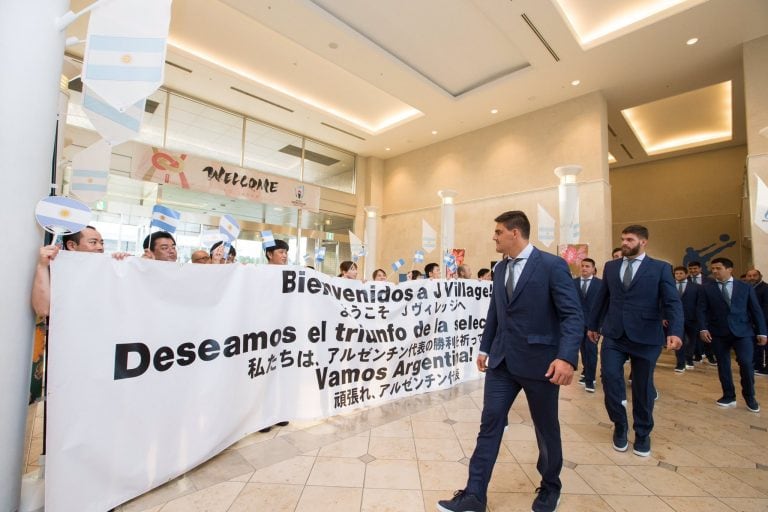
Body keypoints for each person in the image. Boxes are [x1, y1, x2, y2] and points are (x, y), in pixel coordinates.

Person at [437, 210, 583, 512]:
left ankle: (550, 487)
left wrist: (566, 357)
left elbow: (572, 314)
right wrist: (485, 347)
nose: (494, 237)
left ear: (515, 233)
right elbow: (496, 312)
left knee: (545, 428)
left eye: (498, 232)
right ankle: (475, 495)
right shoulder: (501, 269)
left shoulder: (552, 266)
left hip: (541, 363)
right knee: (489, 424)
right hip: (502, 363)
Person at [587, 225, 682, 458]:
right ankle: (620, 425)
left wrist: (676, 331)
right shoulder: (611, 267)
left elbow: (672, 302)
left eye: (629, 239)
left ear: (643, 242)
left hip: (646, 336)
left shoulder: (660, 268)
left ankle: (642, 432)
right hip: (614, 334)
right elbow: (602, 298)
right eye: (623, 239)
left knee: (642, 387)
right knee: (609, 378)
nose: (625, 243)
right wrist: (592, 325)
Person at [698, 258, 766, 412]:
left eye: (718, 268)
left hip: (743, 332)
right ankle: (728, 395)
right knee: (723, 365)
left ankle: (750, 396)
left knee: (746, 363)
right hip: (718, 332)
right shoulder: (706, 288)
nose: (714, 271)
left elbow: (756, 310)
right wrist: (703, 328)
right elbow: (701, 310)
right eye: (713, 268)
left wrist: (762, 331)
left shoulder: (745, 287)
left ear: (729, 269)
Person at [260, 238, 291, 432]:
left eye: (286, 252)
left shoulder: (291, 273)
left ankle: (280, 412)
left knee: (282, 373)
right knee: (264, 375)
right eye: (281, 252)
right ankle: (262, 417)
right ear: (269, 254)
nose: (285, 255)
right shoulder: (259, 273)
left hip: (285, 331)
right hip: (264, 332)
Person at [574, 258, 602, 393]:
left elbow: (603, 305)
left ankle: (590, 380)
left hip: (593, 325)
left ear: (593, 269)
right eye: (583, 266)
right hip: (578, 324)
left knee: (591, 351)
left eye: (587, 266)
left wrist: (600, 325)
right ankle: (586, 372)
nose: (584, 268)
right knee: (583, 351)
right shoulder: (573, 283)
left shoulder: (600, 284)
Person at [672, 266, 700, 372]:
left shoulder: (696, 287)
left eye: (680, 273)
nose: (678, 275)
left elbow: (699, 304)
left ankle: (689, 359)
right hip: (675, 318)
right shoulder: (670, 286)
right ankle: (680, 363)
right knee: (679, 340)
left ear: (686, 274)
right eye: (676, 273)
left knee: (692, 340)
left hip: (692, 318)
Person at [745, 268, 768, 377]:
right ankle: (757, 365)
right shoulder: (747, 288)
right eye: (749, 276)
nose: (752, 278)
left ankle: (766, 368)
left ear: (760, 276)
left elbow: (765, 308)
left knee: (765, 346)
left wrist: (761, 322)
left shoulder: (765, 288)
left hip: (764, 321)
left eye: (754, 275)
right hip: (750, 322)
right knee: (755, 345)